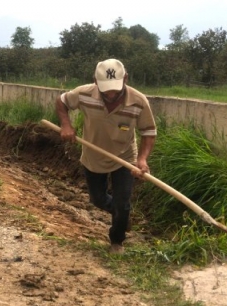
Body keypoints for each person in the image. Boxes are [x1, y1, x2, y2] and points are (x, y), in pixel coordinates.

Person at [54, 58, 157, 254]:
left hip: (125, 158)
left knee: (122, 202)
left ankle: (117, 241)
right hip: (93, 155)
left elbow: (148, 132)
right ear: (95, 80)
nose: (110, 94)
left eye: (115, 90)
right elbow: (61, 101)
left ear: (125, 78)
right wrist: (66, 125)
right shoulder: (83, 94)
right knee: (97, 199)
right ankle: (121, 215)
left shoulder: (138, 101)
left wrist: (142, 159)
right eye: (105, 90)